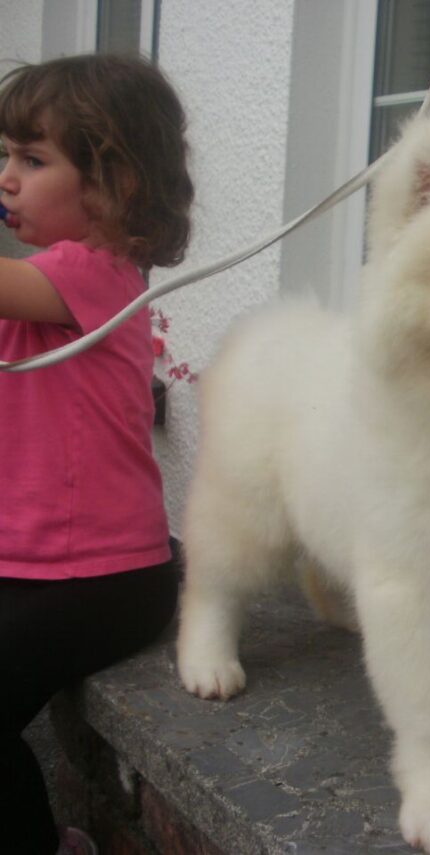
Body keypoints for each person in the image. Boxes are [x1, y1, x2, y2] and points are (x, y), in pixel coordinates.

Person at [0, 54, 194, 854]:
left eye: (33, 160)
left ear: (114, 187)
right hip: (33, 570)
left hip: (100, 580)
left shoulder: (100, 274)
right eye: (5, 155)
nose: (8, 177)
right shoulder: (36, 283)